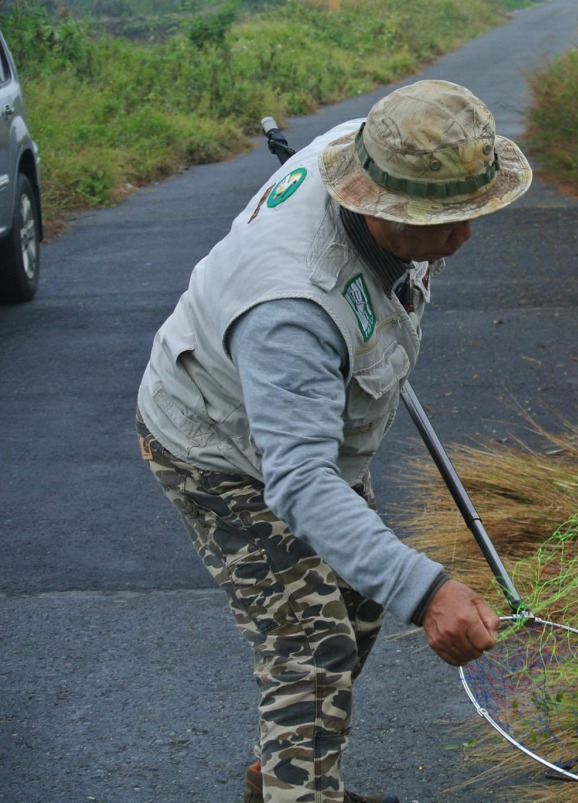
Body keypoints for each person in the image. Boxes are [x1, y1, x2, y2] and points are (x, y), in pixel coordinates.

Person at [136, 79, 531, 803]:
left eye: (470, 211)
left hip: (305, 427)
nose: (466, 236)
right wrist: (429, 590)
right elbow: (298, 481)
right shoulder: (293, 310)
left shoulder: (381, 144)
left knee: (357, 600)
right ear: (383, 208)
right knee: (311, 648)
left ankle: (283, 775)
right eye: (446, 221)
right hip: (220, 447)